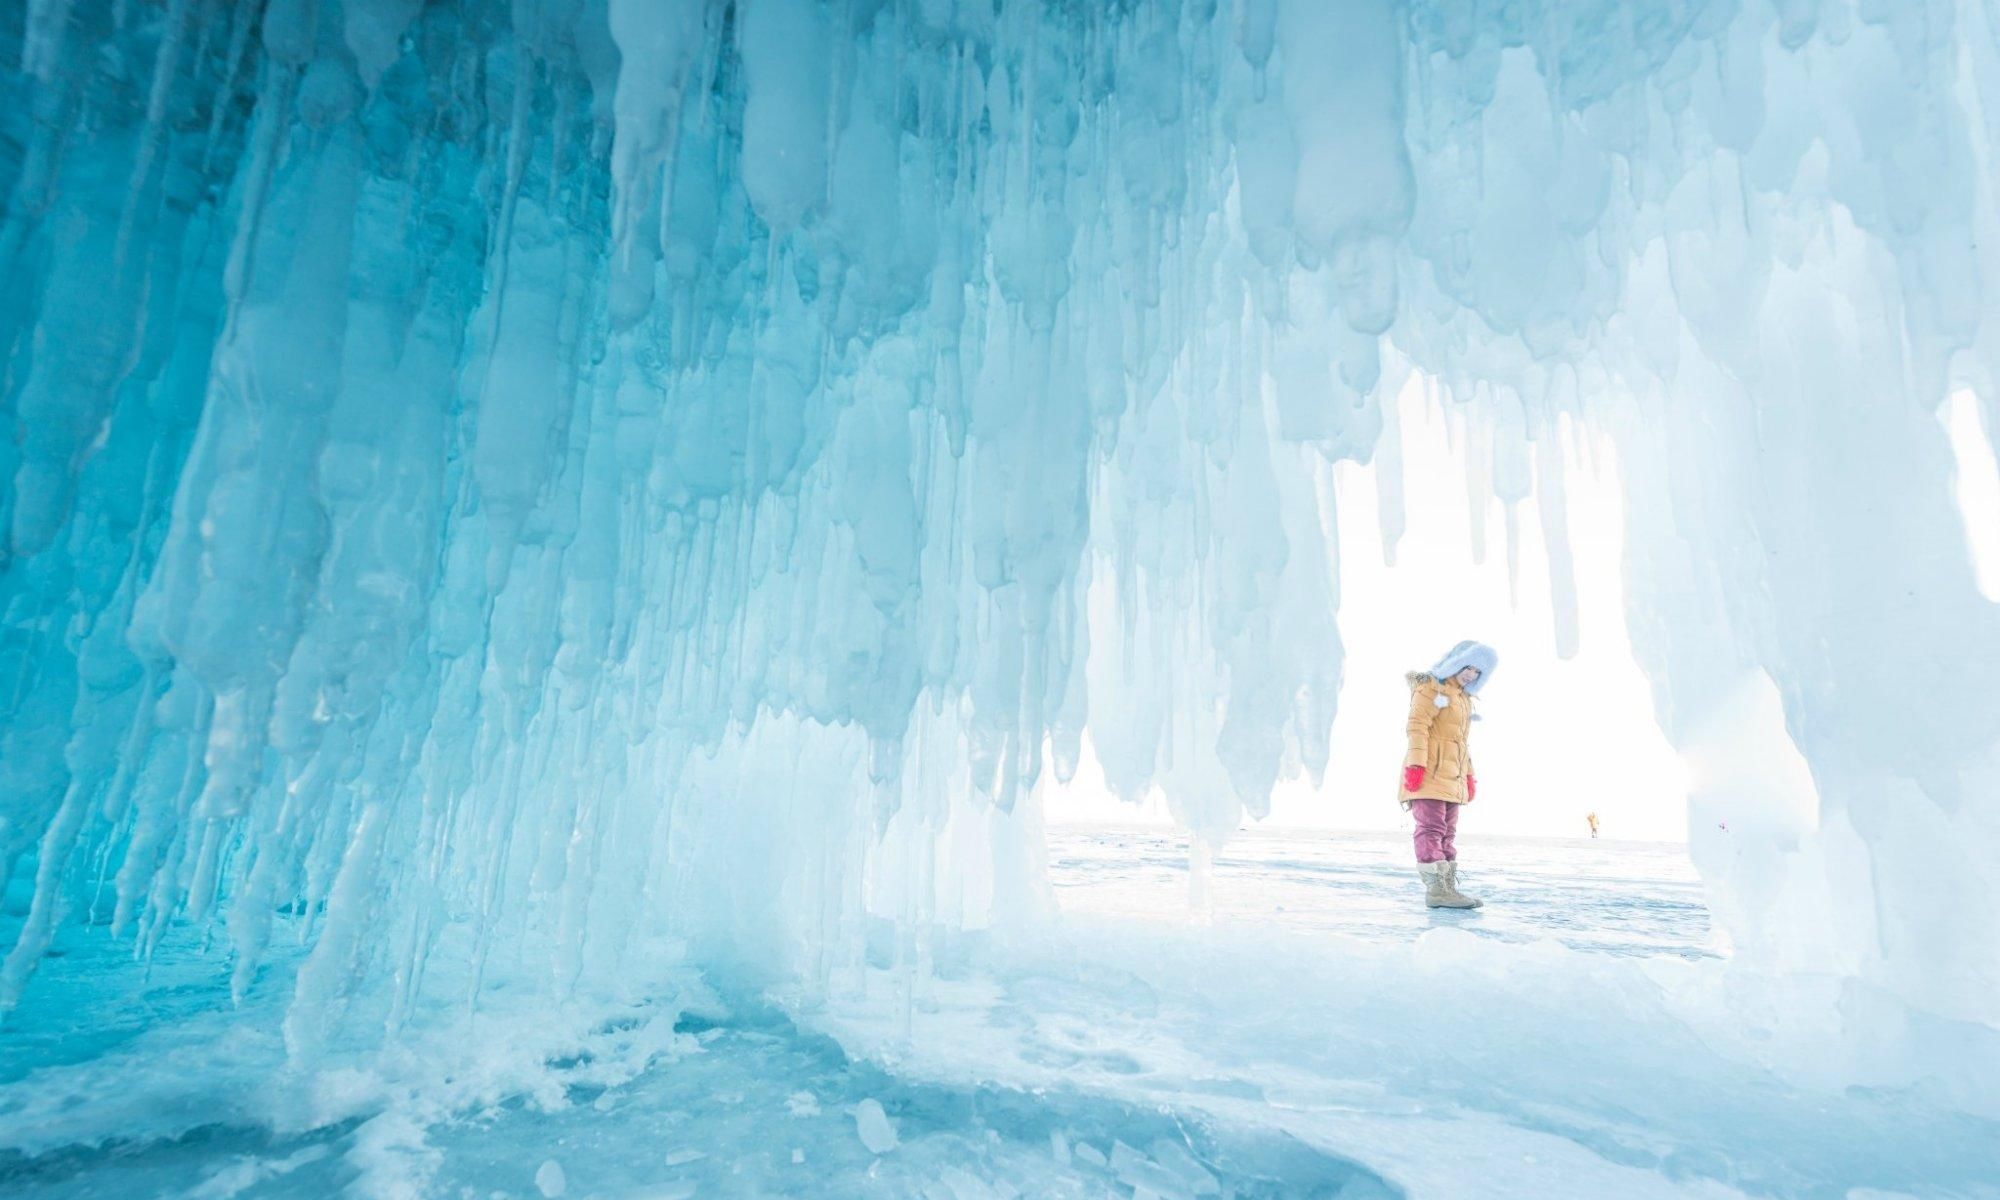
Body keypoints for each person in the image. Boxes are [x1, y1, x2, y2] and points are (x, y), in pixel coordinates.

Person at [1398, 640, 1498, 909]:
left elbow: (1460, 743)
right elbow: (1417, 726)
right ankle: (1437, 891)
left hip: (1452, 775)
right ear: (1456, 661)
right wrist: (1416, 767)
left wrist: (1469, 776)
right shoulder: (1432, 686)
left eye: (1478, 671)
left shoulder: (1463, 699)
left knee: (1447, 833)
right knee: (1431, 828)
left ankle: (1447, 889)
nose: (1471, 674)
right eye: (1468, 666)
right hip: (1429, 771)